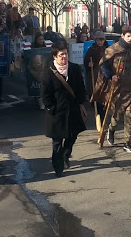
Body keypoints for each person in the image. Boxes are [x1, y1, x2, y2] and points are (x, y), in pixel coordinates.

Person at [92, 25, 131, 153]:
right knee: (118, 113)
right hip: (118, 87)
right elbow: (104, 66)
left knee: (130, 114)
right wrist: (111, 76)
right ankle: (111, 129)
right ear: (122, 36)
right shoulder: (113, 49)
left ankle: (127, 142)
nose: (130, 39)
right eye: (128, 36)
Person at [41, 41, 86, 177]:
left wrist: (80, 102)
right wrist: (52, 108)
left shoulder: (74, 68)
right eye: (61, 55)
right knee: (57, 142)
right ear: (55, 56)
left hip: (72, 111)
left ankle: (66, 154)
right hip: (57, 114)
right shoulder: (48, 73)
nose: (64, 57)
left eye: (66, 54)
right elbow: (45, 94)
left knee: (72, 136)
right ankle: (58, 167)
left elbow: (81, 87)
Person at [84, 29, 108, 105]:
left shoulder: (107, 49)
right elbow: (86, 61)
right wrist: (89, 64)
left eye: (102, 40)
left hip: (105, 71)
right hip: (95, 71)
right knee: (95, 87)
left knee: (104, 87)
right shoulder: (92, 49)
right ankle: (95, 102)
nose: (100, 42)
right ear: (95, 40)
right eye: (98, 40)